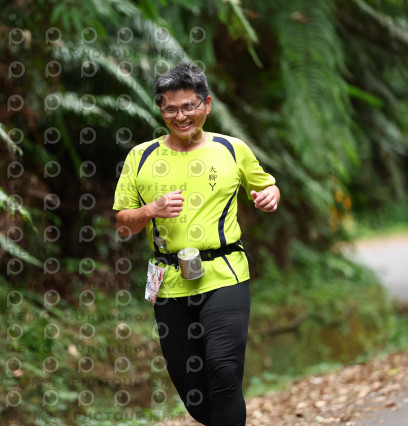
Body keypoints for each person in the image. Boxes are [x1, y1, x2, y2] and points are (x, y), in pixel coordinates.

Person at [112, 63, 280, 425]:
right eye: (170, 109)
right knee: (195, 396)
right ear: (160, 110)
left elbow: (266, 184)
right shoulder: (140, 157)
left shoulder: (232, 149)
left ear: (207, 104)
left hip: (225, 274)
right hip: (169, 283)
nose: (181, 116)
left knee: (223, 369)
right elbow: (123, 224)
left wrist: (270, 194)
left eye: (189, 106)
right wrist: (150, 210)